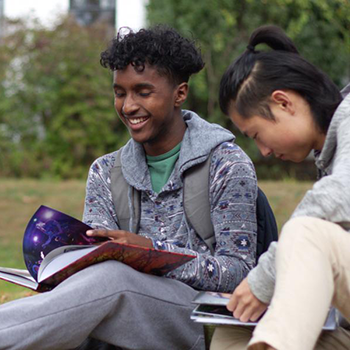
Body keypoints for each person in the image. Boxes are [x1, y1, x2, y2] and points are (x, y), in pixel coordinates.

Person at [0, 26, 259, 350]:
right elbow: (92, 271)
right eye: (119, 92)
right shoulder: (105, 171)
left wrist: (149, 252)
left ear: (180, 93)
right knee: (88, 299)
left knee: (112, 280)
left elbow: (239, 270)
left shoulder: (226, 164)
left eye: (143, 92)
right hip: (116, 310)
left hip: (196, 318)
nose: (128, 106)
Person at [210, 25, 350, 350]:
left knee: (305, 233)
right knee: (232, 334)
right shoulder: (328, 155)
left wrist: (265, 278)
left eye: (256, 135)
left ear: (284, 103)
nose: (264, 152)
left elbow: (341, 195)